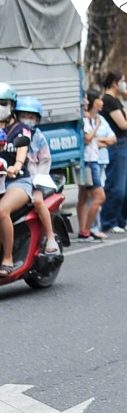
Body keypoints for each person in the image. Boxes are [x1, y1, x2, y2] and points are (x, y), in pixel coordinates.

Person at [14, 97, 59, 253]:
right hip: (13, 180)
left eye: (31, 117)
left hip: (34, 180)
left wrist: (38, 179)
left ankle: (51, 237)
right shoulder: (12, 134)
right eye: (24, 115)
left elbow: (45, 160)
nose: (27, 120)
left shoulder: (38, 137)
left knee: (39, 202)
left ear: (37, 119)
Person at [0, 83, 34, 276]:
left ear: (12, 105)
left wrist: (16, 166)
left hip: (17, 182)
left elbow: (21, 154)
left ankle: (8, 257)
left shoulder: (21, 130)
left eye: (3, 103)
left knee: (2, 210)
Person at [98, 70, 127, 234]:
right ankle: (109, 220)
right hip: (116, 143)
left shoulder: (116, 101)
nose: (124, 84)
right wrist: (126, 119)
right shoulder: (108, 100)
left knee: (126, 184)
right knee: (116, 185)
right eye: (122, 81)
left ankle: (121, 219)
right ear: (115, 83)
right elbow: (123, 124)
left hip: (124, 142)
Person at [79, 89, 115, 242]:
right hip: (89, 161)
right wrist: (96, 127)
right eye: (98, 99)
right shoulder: (87, 120)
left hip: (94, 159)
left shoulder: (94, 118)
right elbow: (87, 139)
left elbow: (112, 139)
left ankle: (85, 230)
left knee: (85, 196)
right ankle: (87, 230)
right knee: (99, 197)